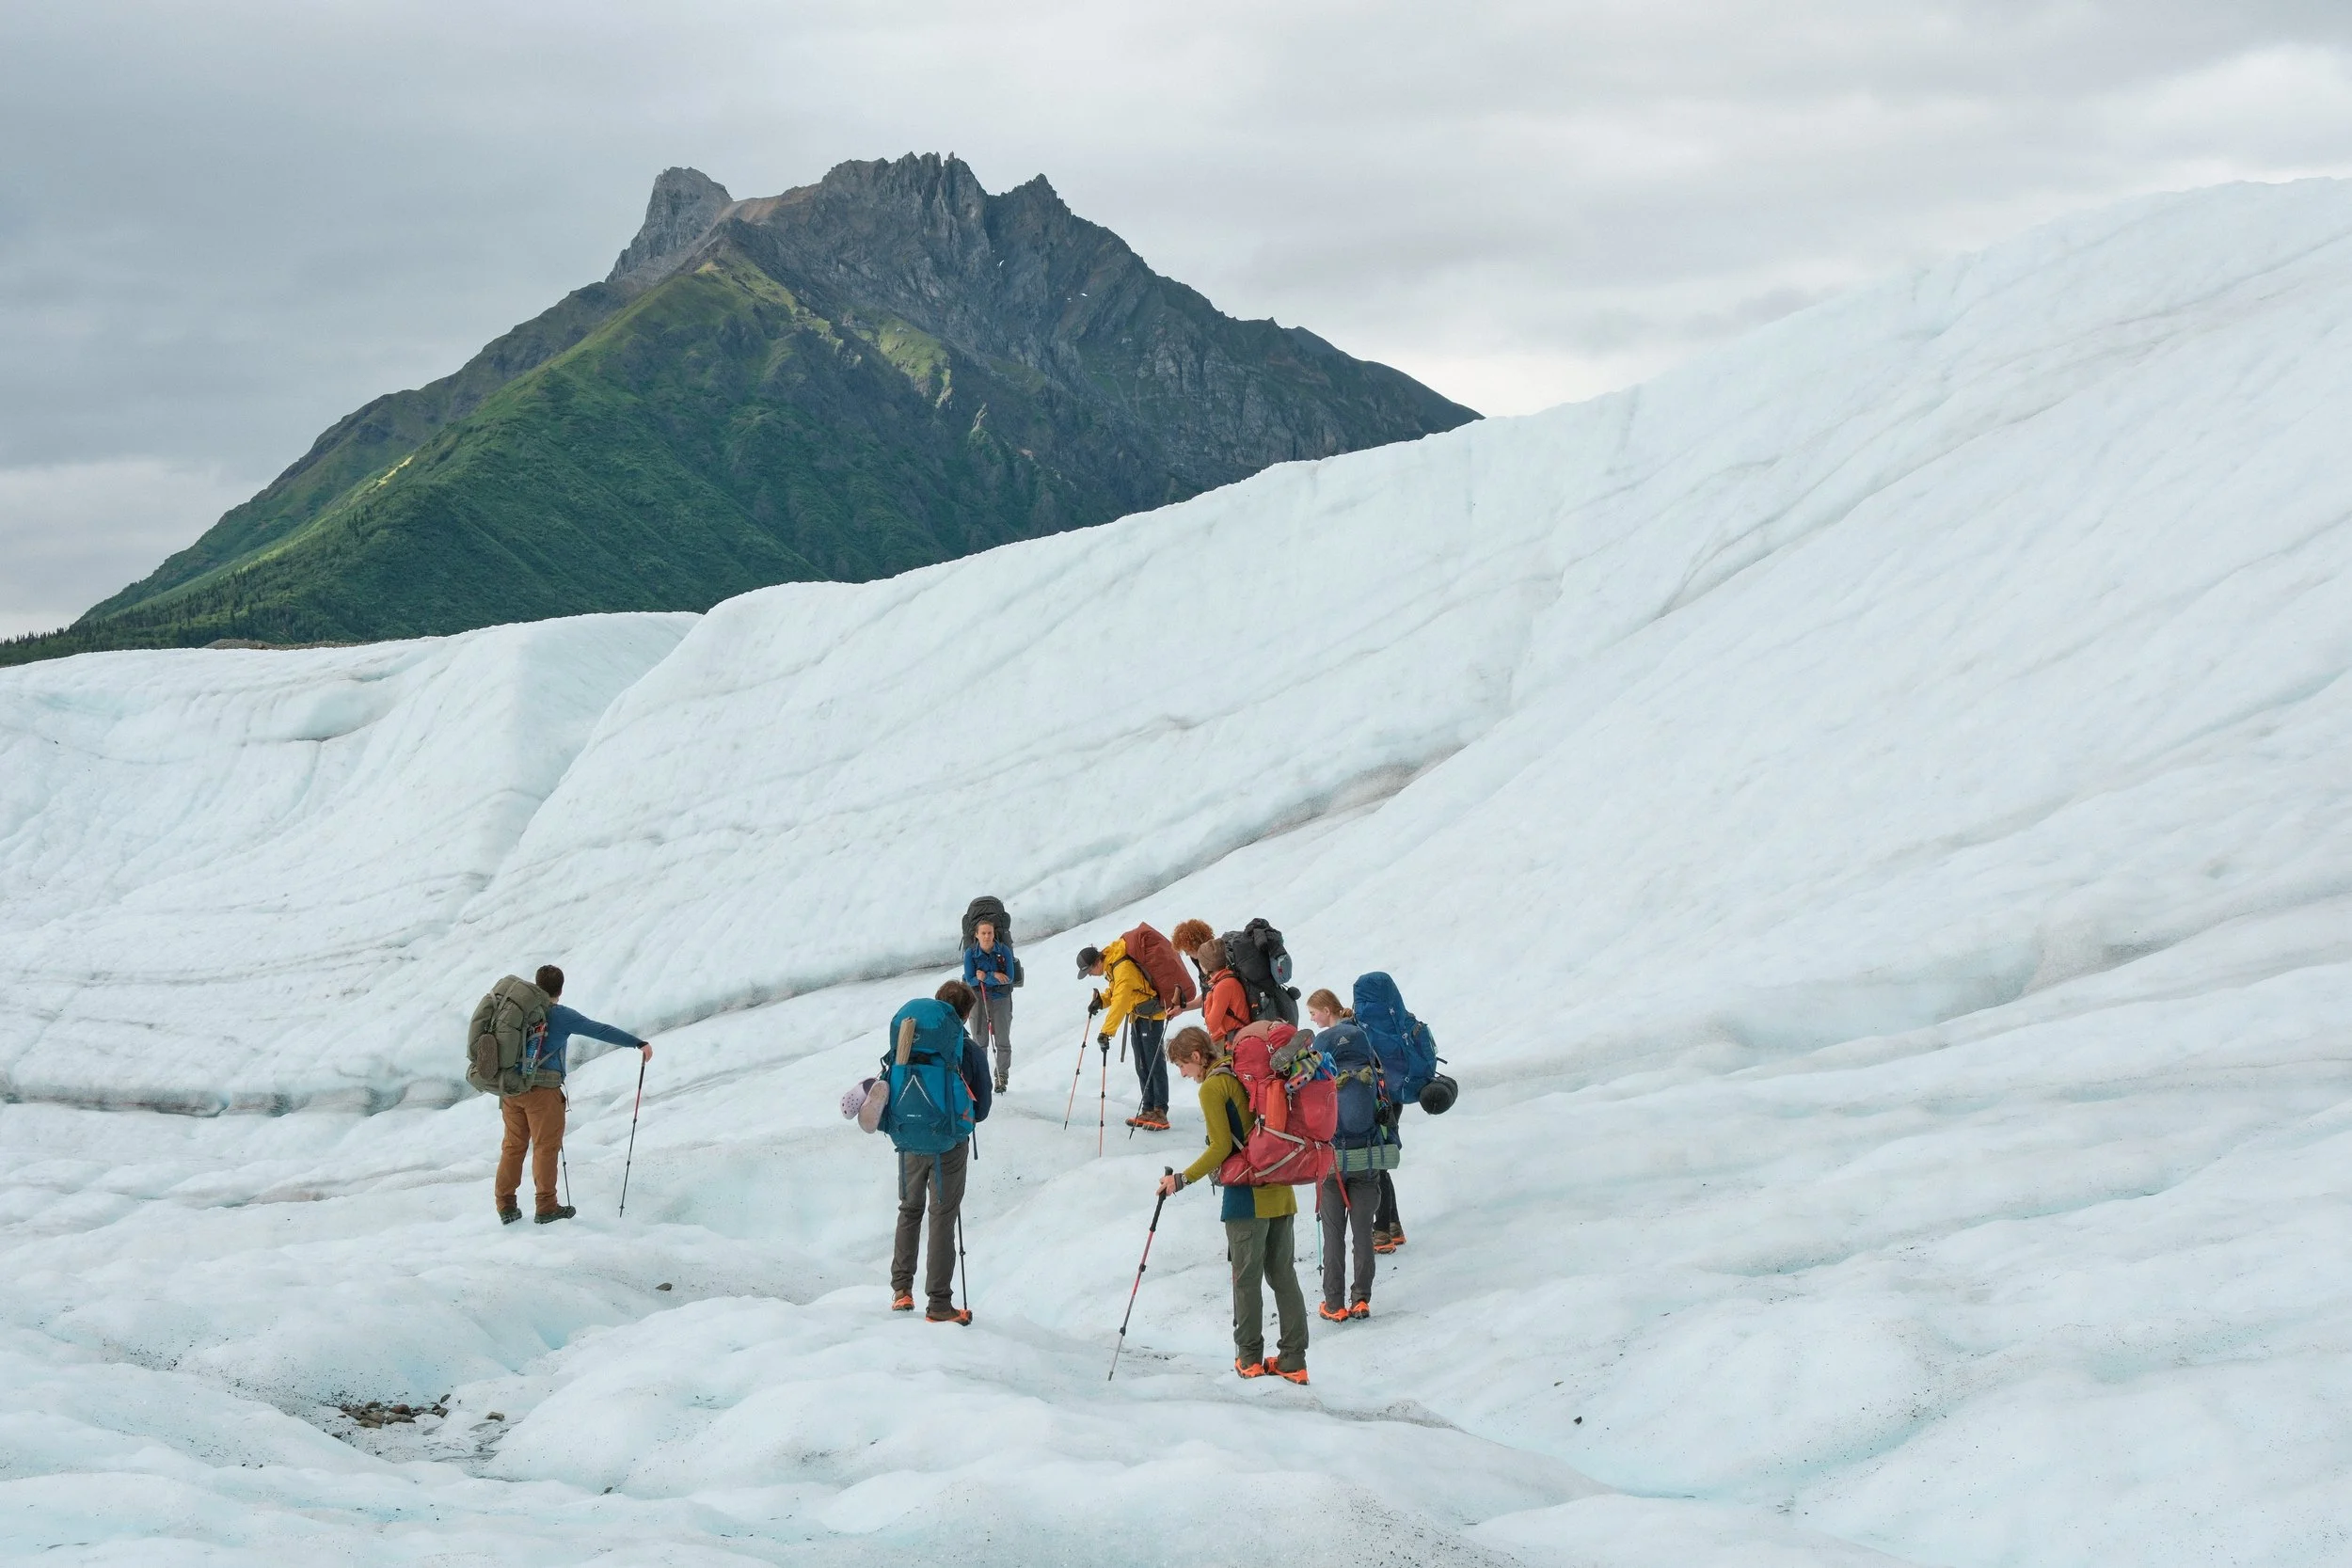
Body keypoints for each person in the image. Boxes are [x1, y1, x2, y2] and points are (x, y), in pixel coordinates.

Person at [1155, 1026, 1310, 1384]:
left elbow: (1221, 1147)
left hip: (1246, 1196)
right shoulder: (1243, 1072)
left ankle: (1250, 1358)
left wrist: (1180, 1180)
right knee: (1284, 1277)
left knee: (1246, 1281)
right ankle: (1293, 1360)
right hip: (1281, 1187)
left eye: (1181, 1065)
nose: (1181, 1073)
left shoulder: (1213, 1087)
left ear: (1196, 1056)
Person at [494, 964, 651, 1226]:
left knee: (513, 1147)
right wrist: (638, 1043)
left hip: (511, 1090)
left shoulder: (517, 1013)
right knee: (545, 1148)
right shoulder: (560, 1015)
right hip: (543, 1093)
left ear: (536, 985)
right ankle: (546, 1207)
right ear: (561, 989)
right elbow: (598, 1030)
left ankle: (505, 1205)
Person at [882, 979, 993, 1323]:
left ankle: (901, 1291)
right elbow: (983, 1105)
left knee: (909, 1209)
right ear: (965, 1013)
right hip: (949, 1141)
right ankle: (939, 1304)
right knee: (942, 1216)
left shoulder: (910, 1039)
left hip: (910, 1136)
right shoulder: (968, 1049)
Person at [1308, 988, 1388, 1318]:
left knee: (1333, 1236)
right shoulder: (1367, 1055)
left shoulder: (1322, 1064)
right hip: (1367, 1159)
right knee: (1363, 1235)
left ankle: (1335, 1304)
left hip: (1333, 1164)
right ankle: (1362, 1298)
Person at [1076, 938, 1171, 1132]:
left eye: (1089, 972)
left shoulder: (1122, 968)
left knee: (1153, 1062)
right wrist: (1101, 1002)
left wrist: (1106, 1032)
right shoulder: (1113, 966)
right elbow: (1115, 993)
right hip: (1138, 1015)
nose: (1091, 976)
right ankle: (1148, 1109)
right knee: (1142, 1063)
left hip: (1151, 1016)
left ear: (1096, 963)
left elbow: (1120, 1000)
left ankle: (1160, 1111)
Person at [962, 919, 1016, 1093]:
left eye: (990, 933)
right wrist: (994, 977)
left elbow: (1009, 977)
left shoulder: (1004, 951)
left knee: (1002, 1040)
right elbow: (970, 979)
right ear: (976, 935)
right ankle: (982, 1077)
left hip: (1000, 998)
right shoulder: (970, 954)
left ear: (994, 934)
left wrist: (987, 976)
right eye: (983, 933)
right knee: (980, 1041)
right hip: (978, 998)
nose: (987, 936)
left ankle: (1002, 1077)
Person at [1193, 936, 1251, 1046]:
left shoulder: (1223, 986)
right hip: (1236, 1037)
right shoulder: (1226, 979)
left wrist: (1209, 997)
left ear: (1206, 966)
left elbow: (1212, 1025)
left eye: (1201, 962)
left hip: (1238, 1042)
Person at [1168, 919, 1216, 1013]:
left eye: (1187, 950)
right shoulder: (1204, 962)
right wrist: (1181, 1009)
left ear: (1194, 945)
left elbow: (1217, 997)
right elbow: (1208, 996)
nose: (1186, 954)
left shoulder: (1215, 965)